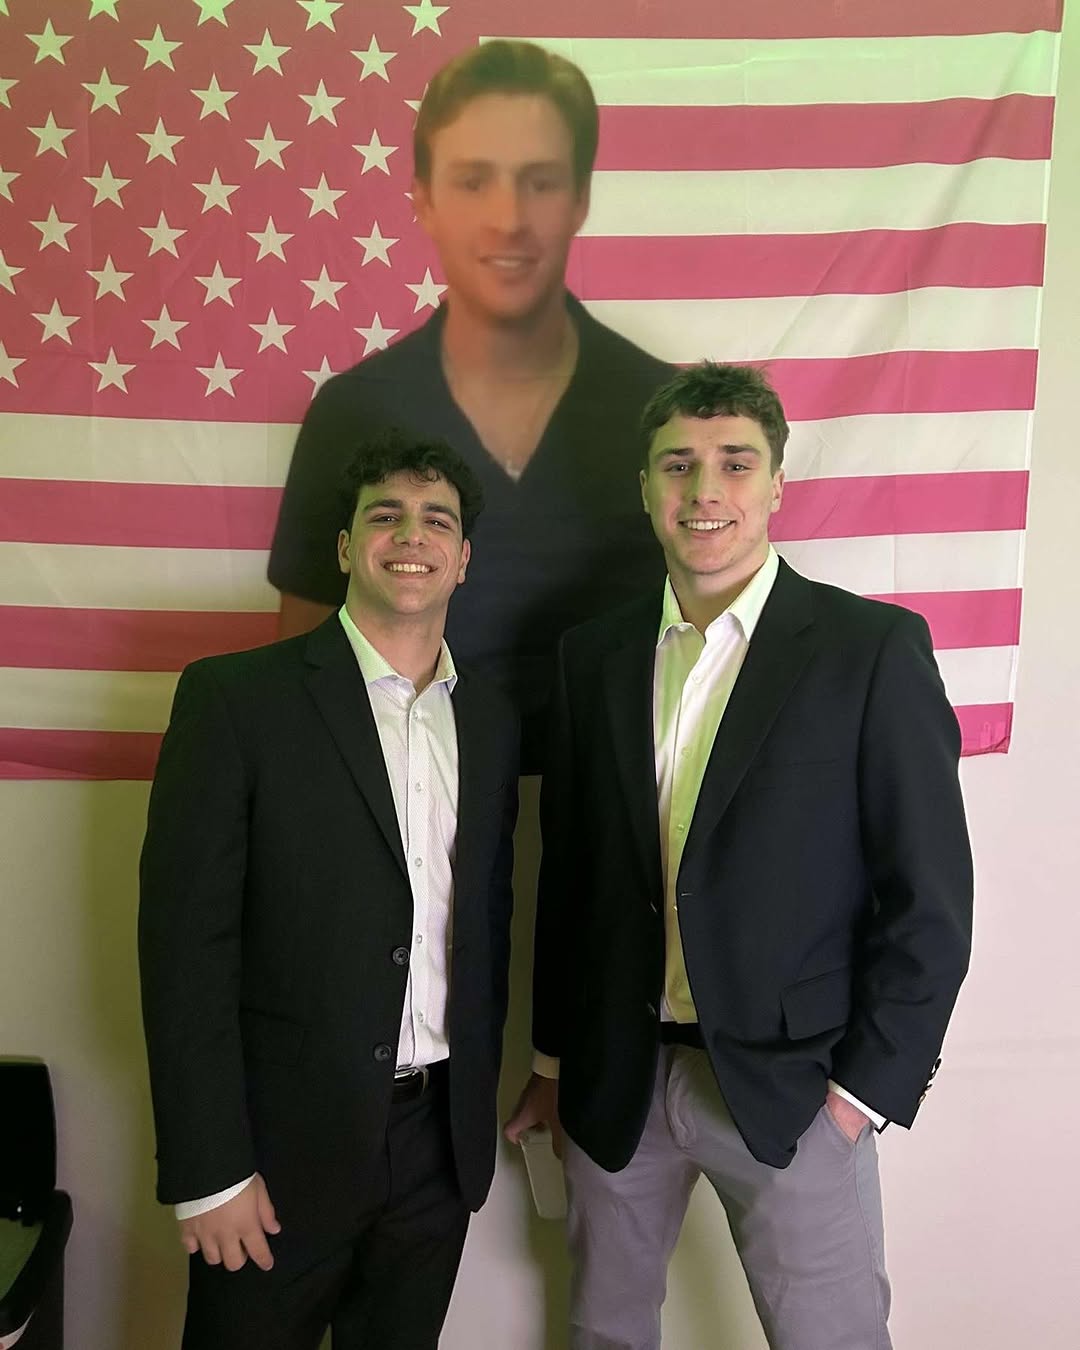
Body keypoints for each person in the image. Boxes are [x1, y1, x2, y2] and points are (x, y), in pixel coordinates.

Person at [506, 363, 974, 1350]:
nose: (704, 489)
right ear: (645, 486)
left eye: (734, 462)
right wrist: (551, 1060)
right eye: (678, 464)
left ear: (776, 484)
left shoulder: (869, 649)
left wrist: (860, 1097)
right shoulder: (592, 656)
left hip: (794, 1090)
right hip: (616, 1082)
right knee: (603, 1335)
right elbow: (571, 879)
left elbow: (929, 900)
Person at [139, 430, 519, 1350]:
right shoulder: (236, 700)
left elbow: (487, 919)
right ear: (347, 547)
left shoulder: (492, 719)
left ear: (464, 559)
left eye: (437, 520)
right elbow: (185, 950)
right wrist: (209, 1170)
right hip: (275, 1152)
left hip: (438, 1146)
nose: (411, 536)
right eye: (386, 516)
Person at [268, 39, 673, 771]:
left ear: (580, 198)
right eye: (474, 180)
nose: (507, 218)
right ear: (424, 200)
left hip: (625, 807)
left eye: (539, 181)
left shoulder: (663, 412)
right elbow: (303, 670)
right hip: (409, 801)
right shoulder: (353, 409)